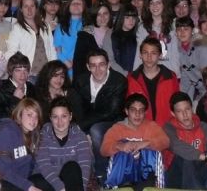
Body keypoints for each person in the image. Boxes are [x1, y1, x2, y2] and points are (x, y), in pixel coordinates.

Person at [73, 48, 128, 181]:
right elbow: (78, 108)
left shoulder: (119, 81)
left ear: (108, 64)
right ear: (88, 67)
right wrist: (82, 130)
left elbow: (110, 112)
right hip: (87, 120)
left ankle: (101, 171)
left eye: (102, 64)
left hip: (113, 120)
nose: (98, 70)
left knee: (96, 130)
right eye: (93, 65)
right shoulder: (80, 81)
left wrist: (83, 126)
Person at [100, 94, 169, 189]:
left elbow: (165, 142)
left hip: (146, 172)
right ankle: (116, 185)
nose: (138, 114)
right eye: (133, 110)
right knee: (121, 145)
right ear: (126, 111)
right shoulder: (117, 128)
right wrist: (119, 146)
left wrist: (145, 143)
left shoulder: (151, 126)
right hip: (124, 172)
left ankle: (152, 183)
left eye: (141, 110)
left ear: (145, 112)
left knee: (150, 150)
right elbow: (103, 150)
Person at [34, 96, 93, 191]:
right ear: (50, 118)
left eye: (64, 116)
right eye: (55, 117)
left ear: (70, 116)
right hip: (48, 181)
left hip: (70, 181)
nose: (60, 122)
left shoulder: (79, 136)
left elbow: (84, 167)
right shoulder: (43, 136)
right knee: (35, 181)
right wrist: (61, 188)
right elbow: (44, 166)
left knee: (72, 167)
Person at [0, 99, 45, 191]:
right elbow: (1, 168)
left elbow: (35, 166)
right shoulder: (7, 130)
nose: (33, 120)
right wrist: (28, 186)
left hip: (20, 181)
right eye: (29, 115)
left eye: (36, 116)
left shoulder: (33, 135)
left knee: (45, 182)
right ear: (19, 114)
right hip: (0, 180)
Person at [127, 37, 179, 126]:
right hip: (142, 127)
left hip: (167, 127)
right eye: (145, 53)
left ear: (160, 55)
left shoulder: (170, 77)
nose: (149, 57)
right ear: (140, 55)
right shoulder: (132, 79)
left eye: (153, 53)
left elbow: (177, 104)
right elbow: (128, 107)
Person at [5, 0, 56, 80]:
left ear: (36, 8)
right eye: (26, 6)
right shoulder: (17, 28)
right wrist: (20, 72)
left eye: (32, 6)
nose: (29, 9)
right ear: (21, 9)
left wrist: (53, 70)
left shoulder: (45, 26)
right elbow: (11, 52)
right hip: (29, 75)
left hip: (46, 74)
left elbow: (52, 50)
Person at [134, 0, 180, 76]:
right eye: (151, 3)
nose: (155, 6)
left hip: (169, 72)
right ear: (148, 6)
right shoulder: (143, 27)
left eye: (158, 3)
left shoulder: (174, 25)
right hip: (148, 73)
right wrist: (135, 74)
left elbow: (176, 54)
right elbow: (139, 53)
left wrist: (177, 75)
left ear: (164, 5)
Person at [175, 16, 207, 100]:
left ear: (192, 31)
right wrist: (179, 97)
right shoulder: (180, 49)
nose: (182, 32)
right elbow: (186, 75)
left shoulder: (202, 47)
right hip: (202, 91)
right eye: (179, 29)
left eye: (186, 29)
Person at [0, 53, 37, 124]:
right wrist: (15, 100)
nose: (23, 74)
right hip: (12, 130)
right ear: (11, 72)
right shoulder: (1, 91)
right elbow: (0, 120)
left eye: (25, 70)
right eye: (18, 70)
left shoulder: (31, 88)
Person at [53, 0, 86, 78]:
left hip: (83, 67)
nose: (76, 5)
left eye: (79, 3)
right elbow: (57, 47)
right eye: (73, 3)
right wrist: (66, 62)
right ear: (68, 7)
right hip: (65, 67)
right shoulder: (61, 26)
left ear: (84, 6)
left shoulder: (88, 25)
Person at [111, 5, 139, 74]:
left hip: (136, 74)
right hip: (119, 75)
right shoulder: (114, 36)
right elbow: (112, 59)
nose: (131, 20)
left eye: (133, 17)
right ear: (121, 18)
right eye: (127, 17)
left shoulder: (138, 35)